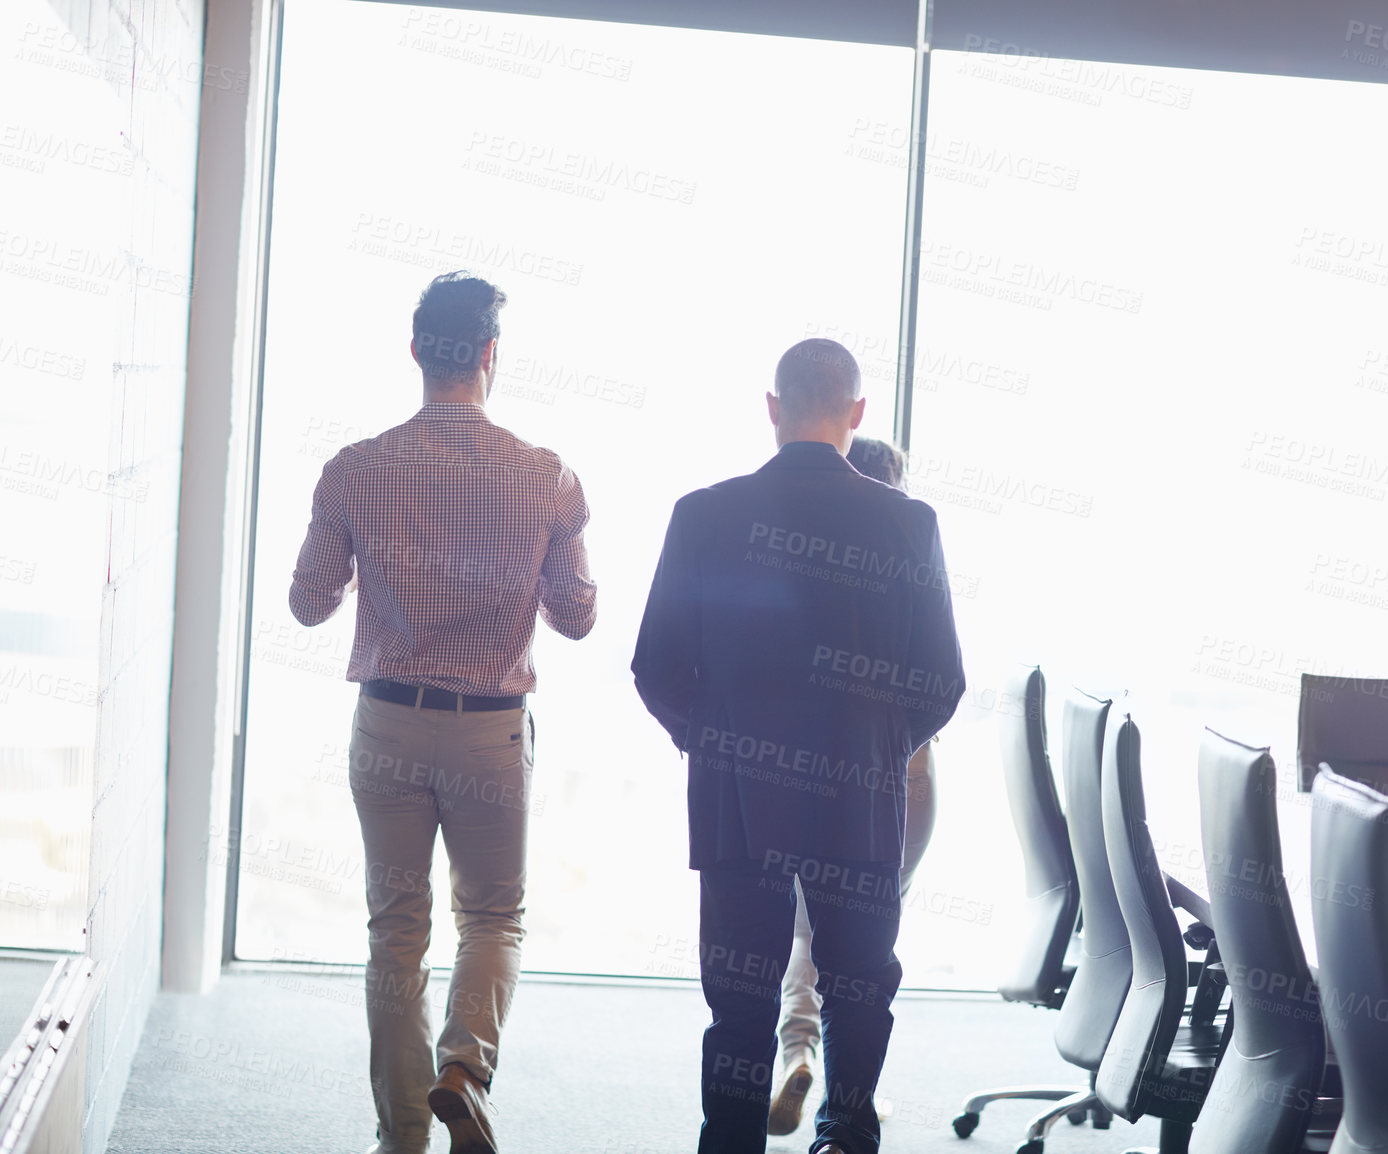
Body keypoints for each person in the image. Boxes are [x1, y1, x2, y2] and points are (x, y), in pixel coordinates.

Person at [289, 272, 597, 1154]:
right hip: (492, 730)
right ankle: (463, 1068)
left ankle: (404, 1136)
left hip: (388, 721)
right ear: (492, 356)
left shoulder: (355, 467)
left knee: (396, 928)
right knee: (493, 917)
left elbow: (309, 604)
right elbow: (576, 619)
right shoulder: (548, 477)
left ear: (418, 349)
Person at [633, 339, 965, 1154]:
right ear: (855, 416)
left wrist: (711, 743)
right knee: (858, 989)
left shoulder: (703, 513)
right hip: (858, 797)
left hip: (738, 796)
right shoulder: (909, 524)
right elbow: (941, 681)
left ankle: (733, 1142)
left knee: (741, 998)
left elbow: (657, 667)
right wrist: (881, 750)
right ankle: (844, 1136)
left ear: (773, 408)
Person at [767, 437, 939, 1137]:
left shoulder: (812, 557)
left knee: (809, 930)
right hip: (907, 778)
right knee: (866, 953)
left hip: (819, 776)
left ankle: (796, 1054)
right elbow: (941, 679)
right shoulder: (911, 545)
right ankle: (848, 1104)